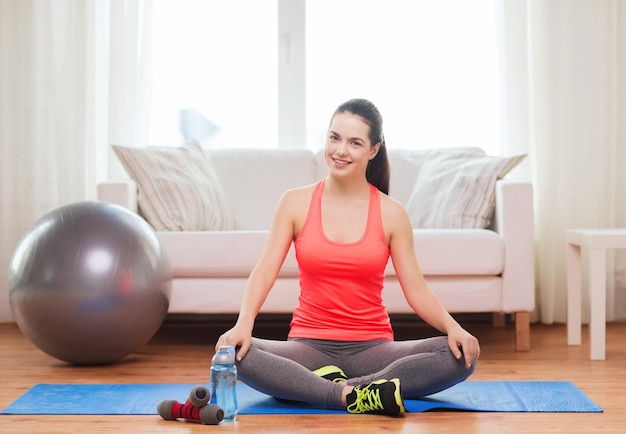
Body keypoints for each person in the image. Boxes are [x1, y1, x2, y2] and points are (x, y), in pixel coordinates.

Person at [215, 98, 480, 416]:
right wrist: (243, 325)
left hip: (374, 348)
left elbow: (417, 289)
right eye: (334, 138)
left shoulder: (392, 213)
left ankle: (318, 388)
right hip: (308, 346)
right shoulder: (294, 202)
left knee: (458, 355)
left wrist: (455, 329)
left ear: (373, 150)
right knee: (235, 353)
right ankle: (353, 395)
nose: (340, 151)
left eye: (355, 142)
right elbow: (264, 270)